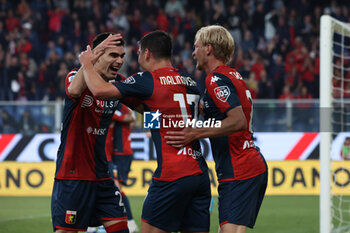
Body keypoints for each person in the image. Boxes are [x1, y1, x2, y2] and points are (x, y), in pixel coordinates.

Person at [79, 30, 211, 233]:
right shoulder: (189, 81)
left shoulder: (148, 79)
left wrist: (86, 63)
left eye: (138, 52)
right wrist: (128, 97)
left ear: (147, 53)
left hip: (171, 175)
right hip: (200, 175)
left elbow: (99, 91)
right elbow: (159, 110)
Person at [165, 25, 268, 233]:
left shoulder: (215, 79)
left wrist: (196, 132)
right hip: (246, 165)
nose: (193, 52)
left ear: (208, 49)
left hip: (239, 169)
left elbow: (237, 120)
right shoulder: (232, 76)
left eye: (196, 47)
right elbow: (227, 115)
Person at [51, 33, 129, 233]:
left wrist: (160, 122)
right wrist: (88, 62)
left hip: (102, 175)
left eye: (122, 55)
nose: (119, 60)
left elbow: (145, 108)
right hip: (73, 175)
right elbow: (75, 91)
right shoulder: (75, 75)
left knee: (121, 228)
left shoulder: (119, 83)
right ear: (98, 55)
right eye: (113, 55)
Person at [105, 103, 139, 233]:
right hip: (116, 153)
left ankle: (130, 222)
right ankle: (128, 222)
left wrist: (110, 113)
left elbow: (132, 118)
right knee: (114, 188)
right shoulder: (116, 106)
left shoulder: (118, 106)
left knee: (116, 189)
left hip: (122, 153)